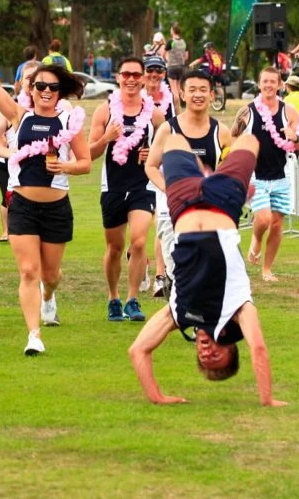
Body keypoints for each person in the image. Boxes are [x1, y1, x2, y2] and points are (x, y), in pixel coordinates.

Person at [128, 132, 286, 407]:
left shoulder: (180, 312)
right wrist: (267, 399)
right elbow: (258, 348)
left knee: (173, 138)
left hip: (183, 202)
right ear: (230, 344)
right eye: (216, 354)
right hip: (223, 202)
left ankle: (203, 172)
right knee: (250, 141)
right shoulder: (238, 306)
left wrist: (157, 397)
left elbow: (138, 350)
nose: (206, 351)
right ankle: (211, 170)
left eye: (203, 357)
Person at [0, 17, 90, 355]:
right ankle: (33, 335)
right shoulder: (20, 117)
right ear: (31, 90)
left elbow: (85, 163)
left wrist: (65, 165)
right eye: (40, 87)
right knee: (27, 271)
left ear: (60, 92)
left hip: (56, 207)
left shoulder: (70, 121)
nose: (46, 92)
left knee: (50, 275)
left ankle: (49, 296)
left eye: (53, 88)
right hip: (22, 204)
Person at [88, 56, 166, 322]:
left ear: (143, 78)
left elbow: (168, 145)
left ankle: (132, 300)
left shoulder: (153, 113)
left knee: (140, 240)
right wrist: (106, 138)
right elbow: (89, 152)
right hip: (112, 186)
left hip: (141, 185)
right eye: (126, 74)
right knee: (114, 248)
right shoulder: (104, 111)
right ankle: (113, 298)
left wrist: (153, 153)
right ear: (118, 77)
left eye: (136, 74)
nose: (131, 79)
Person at [145, 70, 231, 298]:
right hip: (172, 211)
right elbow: (151, 166)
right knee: (181, 270)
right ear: (182, 94)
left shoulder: (221, 132)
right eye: (192, 90)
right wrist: (170, 189)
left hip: (207, 211)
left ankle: (192, 316)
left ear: (212, 95)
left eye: (203, 90)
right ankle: (186, 310)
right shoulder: (168, 129)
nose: (198, 95)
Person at [232, 67, 299, 282]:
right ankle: (255, 239)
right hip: (256, 177)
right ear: (259, 83)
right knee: (263, 219)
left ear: (280, 84)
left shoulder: (289, 112)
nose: (268, 85)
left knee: (276, 225)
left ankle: (267, 269)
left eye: (273, 81)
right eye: (265, 81)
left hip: (281, 177)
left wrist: (294, 137)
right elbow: (232, 138)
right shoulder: (247, 111)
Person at [0, 61, 42, 244]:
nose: (33, 82)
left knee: (50, 267)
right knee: (27, 267)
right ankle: (5, 230)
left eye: (37, 78)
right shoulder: (11, 110)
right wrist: (10, 152)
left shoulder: (60, 110)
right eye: (28, 78)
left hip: (51, 190)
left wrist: (67, 164)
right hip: (18, 186)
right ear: (21, 82)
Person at [143, 54, 176, 292]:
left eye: (158, 71)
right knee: (140, 227)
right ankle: (140, 261)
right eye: (150, 70)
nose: (154, 75)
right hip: (134, 168)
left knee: (159, 221)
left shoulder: (170, 100)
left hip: (160, 168)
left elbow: (175, 132)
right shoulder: (134, 97)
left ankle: (159, 276)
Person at [164, 24, 187, 106]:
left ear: (173, 31)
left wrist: (168, 59)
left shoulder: (171, 42)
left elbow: (164, 54)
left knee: (173, 89)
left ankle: (176, 105)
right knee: (179, 86)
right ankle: (182, 102)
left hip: (172, 66)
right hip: (181, 66)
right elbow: (186, 56)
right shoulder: (183, 42)